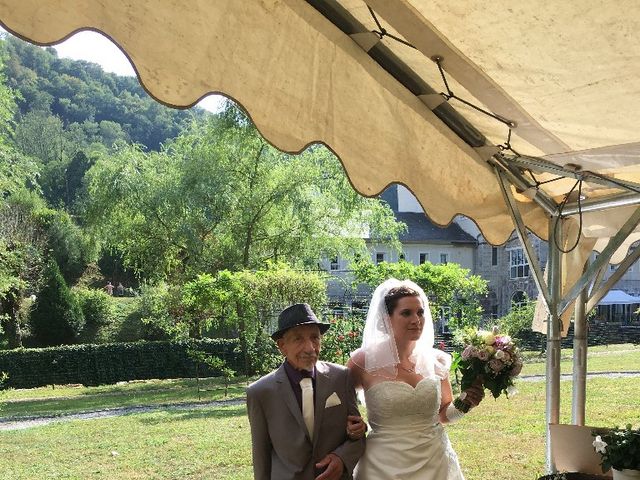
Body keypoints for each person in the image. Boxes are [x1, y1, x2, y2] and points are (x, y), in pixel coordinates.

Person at [347, 279, 484, 480]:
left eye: (420, 312)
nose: (416, 320)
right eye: (406, 313)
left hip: (435, 462)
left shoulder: (436, 360)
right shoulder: (363, 361)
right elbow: (339, 407)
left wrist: (465, 403)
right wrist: (353, 426)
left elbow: (444, 415)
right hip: (382, 466)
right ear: (387, 318)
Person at [247, 303, 366, 480]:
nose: (310, 348)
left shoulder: (341, 378)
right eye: (298, 339)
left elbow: (358, 435)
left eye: (314, 338)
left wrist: (341, 458)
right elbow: (261, 455)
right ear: (282, 346)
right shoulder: (260, 392)